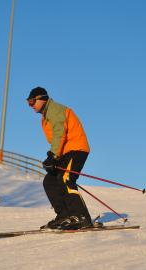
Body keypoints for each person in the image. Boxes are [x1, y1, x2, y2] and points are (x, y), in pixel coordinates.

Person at [27, 86, 93, 230]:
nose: (30, 105)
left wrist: (53, 155)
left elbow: (59, 132)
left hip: (76, 149)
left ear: (42, 99)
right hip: (66, 151)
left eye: (32, 101)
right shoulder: (46, 115)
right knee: (49, 181)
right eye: (28, 102)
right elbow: (58, 138)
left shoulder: (54, 110)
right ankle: (64, 216)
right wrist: (54, 158)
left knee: (66, 179)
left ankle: (81, 217)